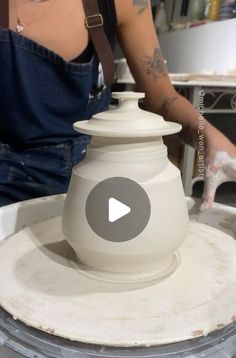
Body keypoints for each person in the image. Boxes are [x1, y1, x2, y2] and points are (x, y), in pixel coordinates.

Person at [0, 0, 235, 210]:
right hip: (12, 177)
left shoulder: (126, 3)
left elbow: (164, 99)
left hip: (101, 167)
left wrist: (208, 137)